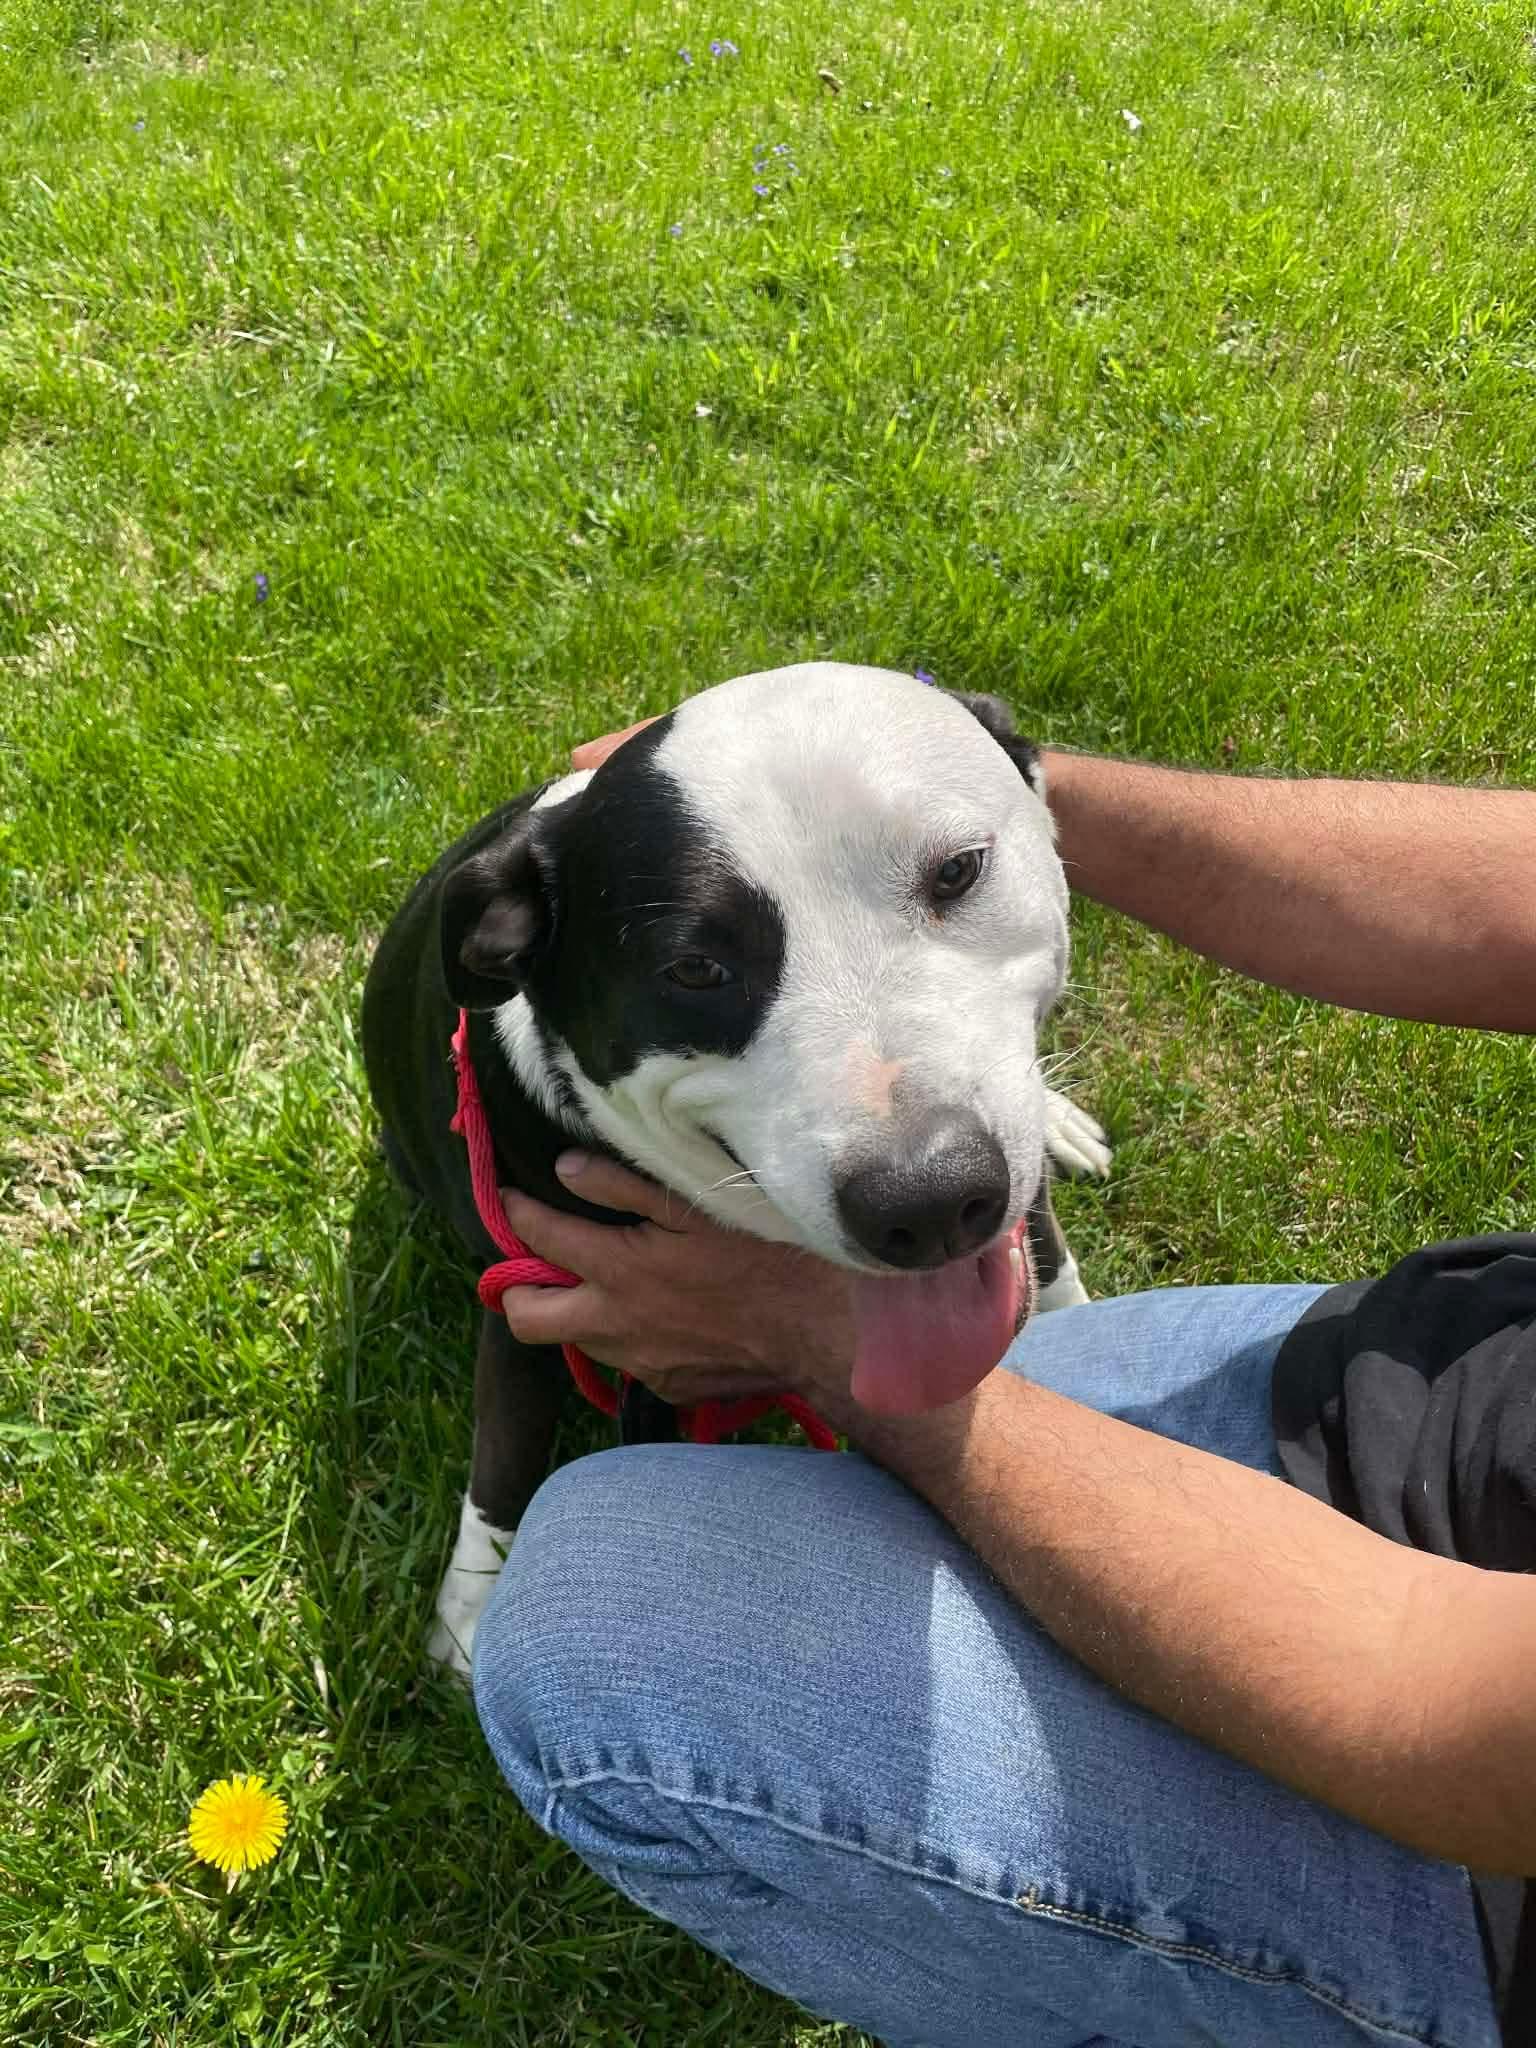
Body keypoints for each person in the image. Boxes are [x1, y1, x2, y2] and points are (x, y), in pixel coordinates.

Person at [471, 730, 1536, 2048]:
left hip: (1490, 1831)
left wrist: (822, 1344)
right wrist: (970, 775)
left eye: (955, 882)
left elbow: (1428, 1697)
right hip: (1472, 1374)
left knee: (594, 1615)